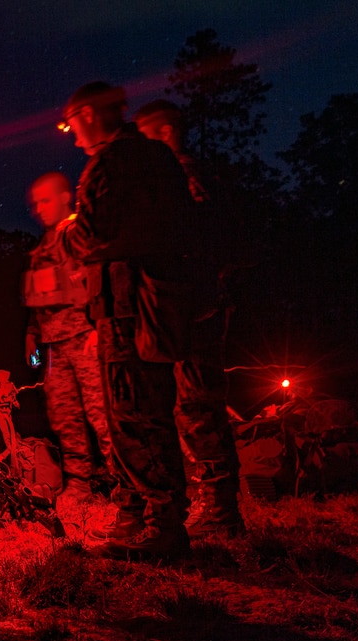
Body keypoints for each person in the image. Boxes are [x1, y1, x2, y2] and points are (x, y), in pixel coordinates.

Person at [55, 81, 195, 559]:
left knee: (134, 412)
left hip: (125, 305)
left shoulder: (112, 164)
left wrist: (69, 235)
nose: (72, 133)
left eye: (72, 121)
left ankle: (163, 528)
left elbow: (94, 236)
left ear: (89, 114)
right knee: (148, 408)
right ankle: (146, 514)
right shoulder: (159, 158)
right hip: (151, 303)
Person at [134, 99, 245, 538]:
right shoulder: (177, 178)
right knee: (189, 406)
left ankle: (221, 510)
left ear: (162, 133)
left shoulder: (185, 177)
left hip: (196, 308)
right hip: (186, 306)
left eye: (144, 135)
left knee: (199, 405)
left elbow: (195, 244)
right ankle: (214, 502)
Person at [23, 172, 113, 501]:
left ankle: (128, 485)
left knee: (102, 413)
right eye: (35, 203)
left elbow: (99, 276)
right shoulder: (43, 246)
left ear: (65, 197)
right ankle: (79, 484)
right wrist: (32, 334)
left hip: (84, 335)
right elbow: (40, 295)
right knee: (65, 417)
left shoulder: (75, 233)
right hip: (53, 345)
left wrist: (99, 327)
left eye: (45, 200)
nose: (38, 208)